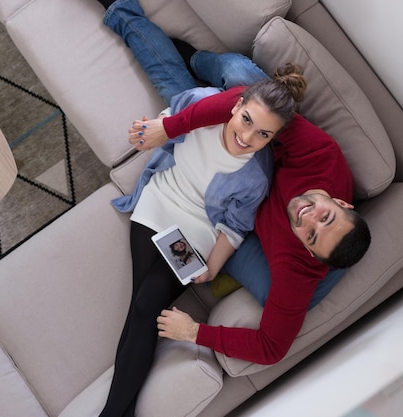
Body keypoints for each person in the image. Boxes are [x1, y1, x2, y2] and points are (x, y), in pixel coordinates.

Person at [97, 2, 308, 416]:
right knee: (144, 306)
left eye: (263, 134)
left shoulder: (256, 177)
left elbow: (233, 226)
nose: (248, 137)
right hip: (157, 204)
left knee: (144, 305)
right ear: (234, 104)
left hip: (194, 235)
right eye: (246, 120)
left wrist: (212, 266)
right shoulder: (203, 101)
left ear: (273, 139)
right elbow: (170, 116)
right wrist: (150, 132)